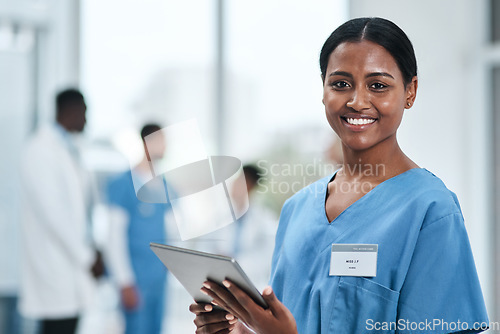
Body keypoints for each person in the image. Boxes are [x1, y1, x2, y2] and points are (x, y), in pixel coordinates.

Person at [189, 17, 489, 334]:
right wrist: (237, 329)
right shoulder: (297, 209)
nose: (357, 101)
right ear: (323, 90)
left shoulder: (431, 210)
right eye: (341, 84)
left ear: (410, 91)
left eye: (378, 85)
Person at [19, 89, 104, 334]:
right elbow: (54, 216)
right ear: (70, 110)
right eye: (84, 112)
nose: (87, 120)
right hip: (55, 265)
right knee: (57, 326)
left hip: (72, 264)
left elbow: (81, 210)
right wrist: (87, 258)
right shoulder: (39, 150)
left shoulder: (68, 148)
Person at [106, 123, 170, 334]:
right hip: (135, 281)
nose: (166, 146)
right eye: (161, 140)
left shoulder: (165, 186)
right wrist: (124, 282)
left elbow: (172, 233)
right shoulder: (124, 184)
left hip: (159, 280)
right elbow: (114, 237)